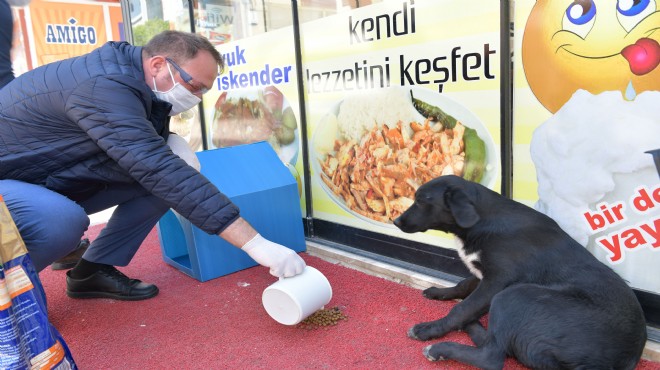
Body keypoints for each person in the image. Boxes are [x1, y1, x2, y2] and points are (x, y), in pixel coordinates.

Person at [0, 30, 306, 300]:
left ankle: (90, 271)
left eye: (203, 91)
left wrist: (167, 140)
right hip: (10, 181)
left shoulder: (139, 82)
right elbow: (154, 166)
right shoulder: (102, 85)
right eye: (194, 85)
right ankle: (11, 302)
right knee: (60, 222)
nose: (196, 98)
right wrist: (256, 244)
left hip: (42, 173)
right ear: (158, 64)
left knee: (164, 180)